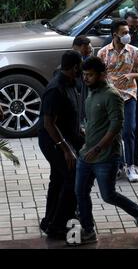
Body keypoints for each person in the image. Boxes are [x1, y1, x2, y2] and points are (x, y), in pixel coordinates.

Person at [71, 57, 138, 246]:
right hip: (86, 154)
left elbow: (117, 126)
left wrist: (99, 147)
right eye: (84, 75)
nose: (86, 79)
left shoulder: (112, 95)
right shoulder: (91, 93)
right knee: (80, 192)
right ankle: (88, 231)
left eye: (90, 75)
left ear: (102, 75)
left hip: (106, 156)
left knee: (108, 195)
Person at [102, 11, 138, 169]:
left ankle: (136, 158)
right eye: (130, 28)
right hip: (114, 95)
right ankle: (120, 161)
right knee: (117, 129)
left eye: (136, 27)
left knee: (137, 127)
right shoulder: (107, 47)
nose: (134, 31)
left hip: (137, 92)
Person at [38, 50, 84, 239]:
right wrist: (66, 149)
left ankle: (49, 220)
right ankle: (57, 225)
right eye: (81, 66)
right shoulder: (55, 89)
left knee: (58, 179)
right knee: (72, 179)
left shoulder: (72, 83)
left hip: (67, 140)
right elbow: (49, 124)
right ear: (75, 67)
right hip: (54, 142)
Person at [97, 19, 138, 183]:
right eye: (124, 33)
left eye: (128, 32)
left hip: (128, 96)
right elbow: (97, 75)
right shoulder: (103, 53)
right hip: (110, 98)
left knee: (128, 131)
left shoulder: (135, 52)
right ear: (115, 35)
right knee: (113, 133)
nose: (128, 35)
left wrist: (132, 75)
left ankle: (131, 165)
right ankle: (118, 165)